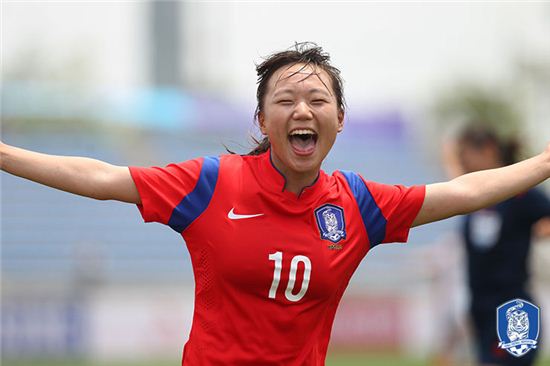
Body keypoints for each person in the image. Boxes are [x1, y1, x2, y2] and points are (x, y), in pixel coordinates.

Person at [1, 43, 549, 365]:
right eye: (285, 100)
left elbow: (466, 191)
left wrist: (546, 162)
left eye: (318, 99)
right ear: (262, 121)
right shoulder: (211, 183)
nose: (302, 109)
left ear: (340, 118)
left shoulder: (359, 204)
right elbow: (99, 176)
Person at [451, 125, 550, 366]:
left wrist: (543, 229)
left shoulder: (519, 193)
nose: (461, 163)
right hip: (481, 308)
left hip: (514, 308)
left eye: (465, 155)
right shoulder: (471, 199)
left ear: (488, 151)